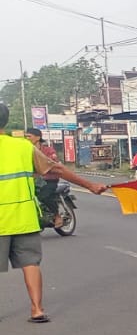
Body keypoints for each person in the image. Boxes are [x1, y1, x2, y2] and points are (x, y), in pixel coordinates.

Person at [1, 128, 109, 323]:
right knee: (30, 263)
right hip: (24, 218)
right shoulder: (23, 147)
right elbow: (57, 169)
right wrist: (90, 185)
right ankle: (37, 310)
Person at [22, 130, 63, 227]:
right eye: (26, 137)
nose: (27, 139)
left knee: (43, 196)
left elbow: (53, 164)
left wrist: (41, 171)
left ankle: (57, 216)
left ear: (38, 137)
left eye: (29, 136)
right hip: (34, 180)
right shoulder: (26, 151)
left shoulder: (48, 151)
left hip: (49, 180)